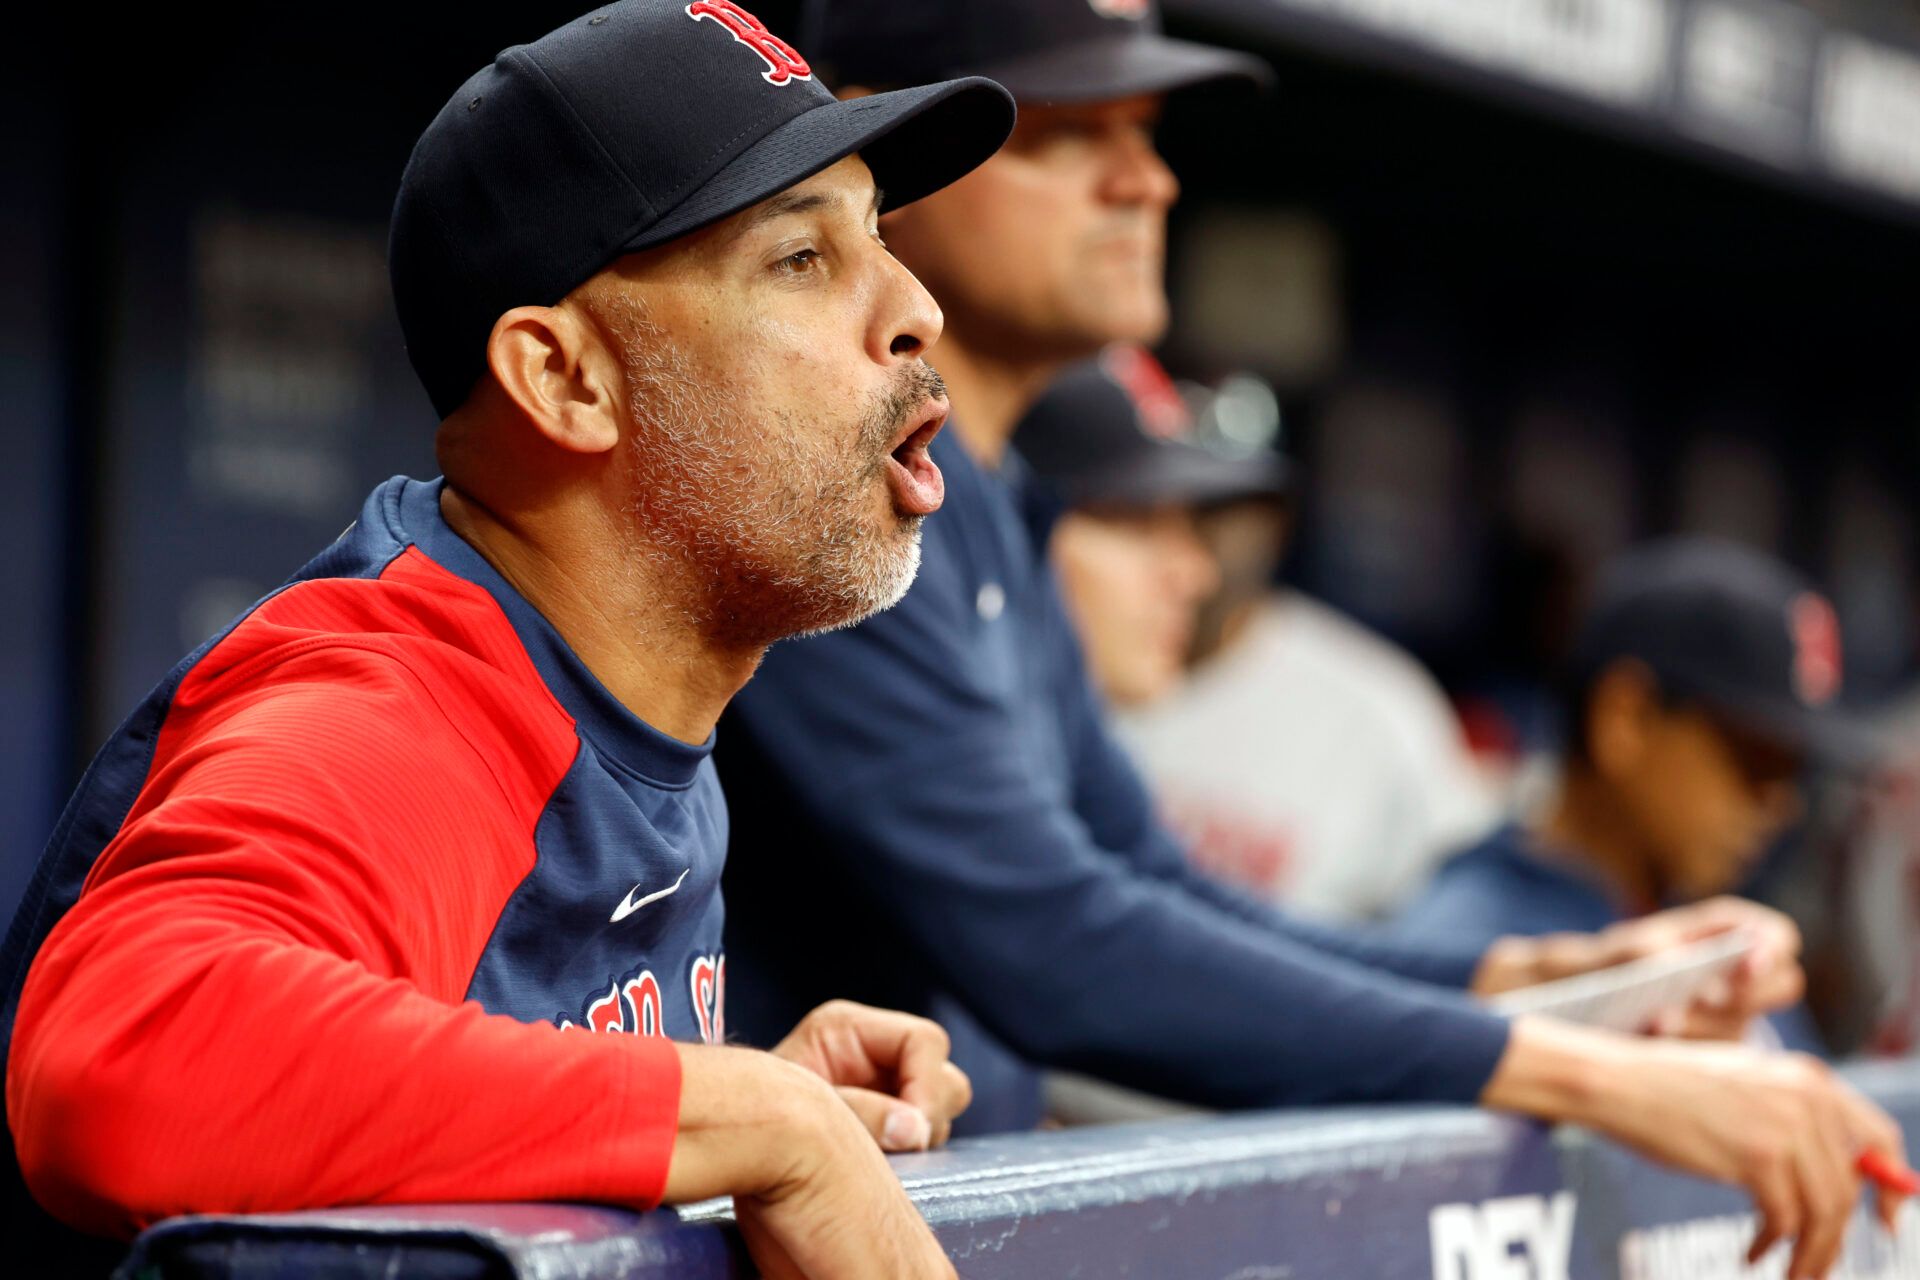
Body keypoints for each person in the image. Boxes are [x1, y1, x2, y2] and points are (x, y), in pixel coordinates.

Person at [715, 3, 1908, 1274]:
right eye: (1068, 132)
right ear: (878, 149)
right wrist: (1582, 1069)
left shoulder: (988, 504)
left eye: (1148, 131)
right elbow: (1059, 945)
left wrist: (1535, 972)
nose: (1148, 179)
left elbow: (1147, 879)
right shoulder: (822, 506)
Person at [0, 5, 1016, 1277]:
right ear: (566, 381)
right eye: (800, 260)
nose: (915, 306)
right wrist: (762, 1121)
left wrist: (707, 1091)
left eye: (881, 237)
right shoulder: (400, 701)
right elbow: (124, 1057)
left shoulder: (623, 696)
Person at [1018, 345, 1496, 921]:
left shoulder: (1377, 709)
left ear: (1279, 523)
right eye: (1141, 517)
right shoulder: (1044, 705)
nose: (1198, 560)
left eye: (1226, 509)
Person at [1393, 538, 1877, 1054]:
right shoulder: (1468, 945)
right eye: (1758, 761)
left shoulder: (1720, 939)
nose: (1782, 804)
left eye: (1796, 771)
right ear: (1627, 718)